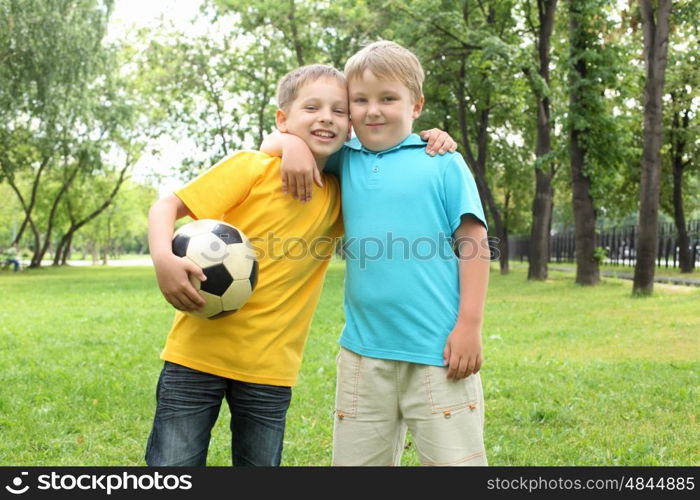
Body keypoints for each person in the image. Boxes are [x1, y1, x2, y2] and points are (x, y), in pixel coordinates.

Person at [144, 63, 456, 467]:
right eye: (311, 107)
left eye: (339, 110)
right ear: (283, 119)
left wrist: (428, 138)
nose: (326, 117)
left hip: (270, 370)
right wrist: (163, 259)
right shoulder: (251, 169)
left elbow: (392, 165)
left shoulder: (343, 194)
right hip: (194, 356)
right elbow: (166, 205)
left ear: (351, 126)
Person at [262, 41, 490, 466]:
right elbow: (270, 143)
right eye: (360, 101)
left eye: (388, 98)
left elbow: (474, 245)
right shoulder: (344, 160)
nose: (373, 111)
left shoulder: (441, 160)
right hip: (363, 356)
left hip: (439, 353)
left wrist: (470, 326)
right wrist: (291, 146)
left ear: (416, 105)